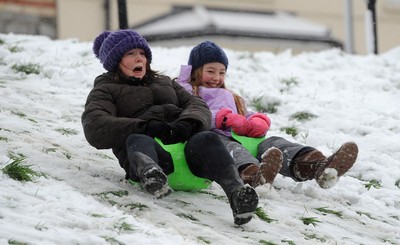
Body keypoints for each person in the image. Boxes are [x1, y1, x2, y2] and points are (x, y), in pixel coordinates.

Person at [81, 30, 258, 225]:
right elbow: (94, 124)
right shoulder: (105, 89)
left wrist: (188, 123)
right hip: (153, 157)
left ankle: (237, 192)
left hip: (192, 161)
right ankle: (152, 175)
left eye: (142, 53)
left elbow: (198, 105)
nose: (139, 58)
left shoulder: (165, 82)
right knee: (137, 140)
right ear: (116, 61)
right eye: (130, 54)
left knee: (207, 138)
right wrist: (144, 127)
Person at [178, 41, 359, 189]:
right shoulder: (187, 90)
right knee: (235, 151)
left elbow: (243, 114)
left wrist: (256, 121)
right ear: (196, 70)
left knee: (275, 144)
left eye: (222, 72)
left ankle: (318, 166)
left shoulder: (231, 95)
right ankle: (254, 176)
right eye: (210, 71)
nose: (216, 77)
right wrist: (222, 119)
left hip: (240, 136)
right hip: (211, 140)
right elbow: (188, 113)